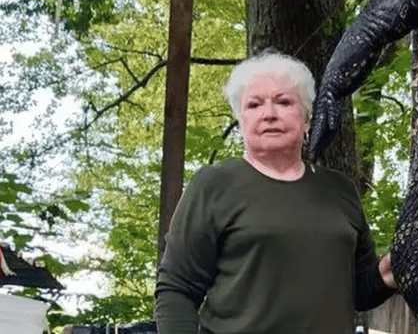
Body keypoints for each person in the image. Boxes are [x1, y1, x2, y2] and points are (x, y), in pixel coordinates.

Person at [155, 50, 396, 334]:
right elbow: (176, 289)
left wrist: (391, 270)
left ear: (306, 118)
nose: (269, 114)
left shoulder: (340, 189)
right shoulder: (213, 186)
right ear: (240, 120)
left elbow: (359, 290)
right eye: (254, 105)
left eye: (284, 102)